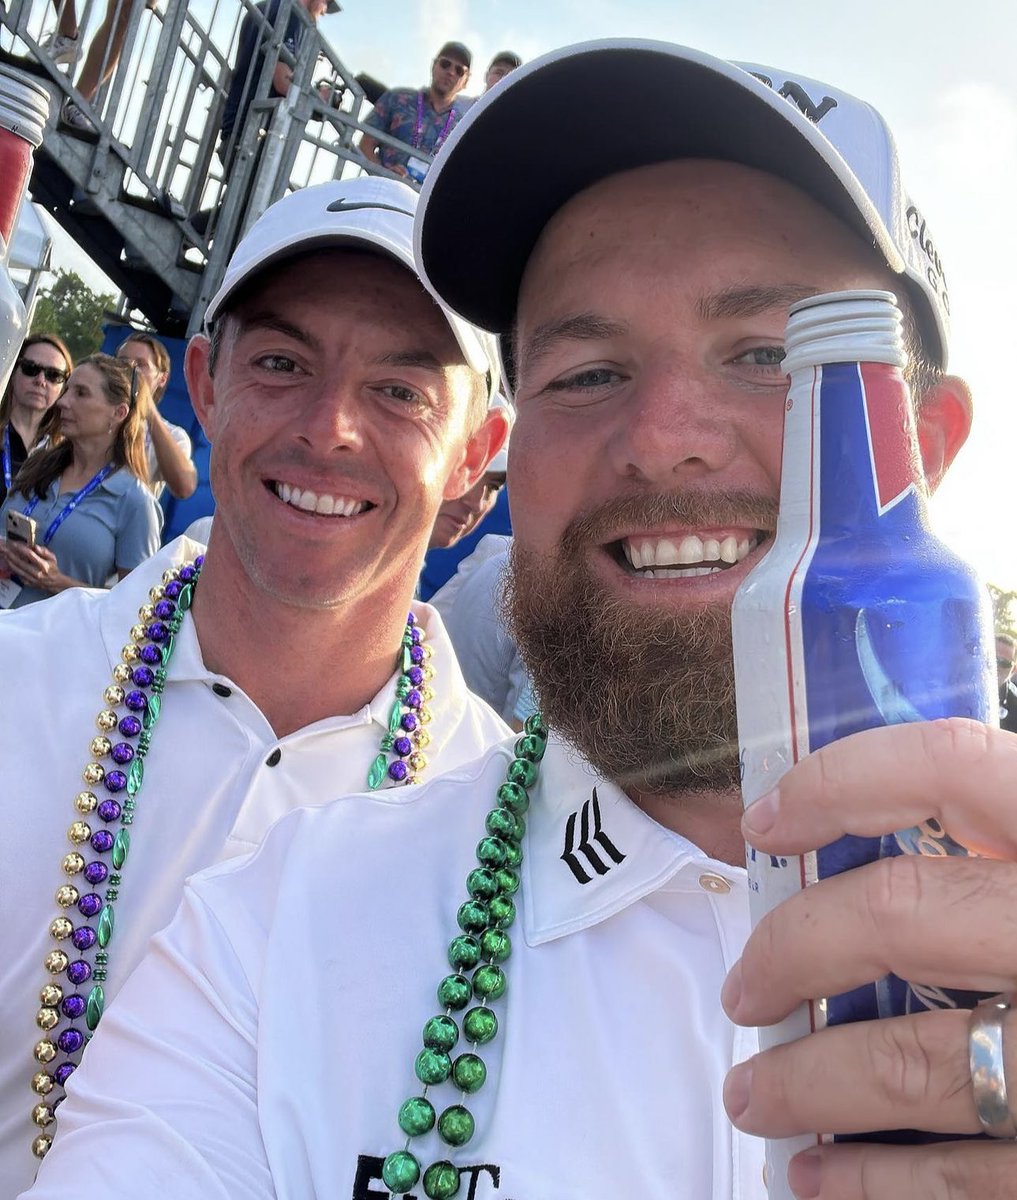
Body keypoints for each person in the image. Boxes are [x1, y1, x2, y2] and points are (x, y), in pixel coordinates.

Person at [22, 42, 1017, 1200]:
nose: (661, 437)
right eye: (588, 371)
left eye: (772, 355)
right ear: (513, 465)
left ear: (928, 447)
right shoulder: (282, 934)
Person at [1, 173, 510, 1192]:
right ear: (208, 381)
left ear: (476, 453)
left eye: (403, 391)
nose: (330, 429)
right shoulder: (21, 686)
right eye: (282, 362)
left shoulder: (508, 827)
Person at [0, 352, 161, 607]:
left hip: (50, 642)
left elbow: (137, 606)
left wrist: (58, 582)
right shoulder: (38, 465)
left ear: (118, 413)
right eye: (67, 391)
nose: (62, 402)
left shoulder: (134, 501)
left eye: (81, 393)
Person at [218, 0, 337, 167]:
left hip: (238, 126)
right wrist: (317, 100)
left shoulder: (264, 6)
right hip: (254, 134)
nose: (324, 11)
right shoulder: (292, 15)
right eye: (326, 3)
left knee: (239, 191)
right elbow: (282, 81)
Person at [358, 41, 471, 184]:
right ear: (433, 66)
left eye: (459, 70)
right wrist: (384, 176)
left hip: (423, 204)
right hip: (381, 195)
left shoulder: (463, 129)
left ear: (466, 81)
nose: (450, 72)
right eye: (445, 64)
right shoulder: (397, 98)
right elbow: (365, 145)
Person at [115, 332, 198, 500]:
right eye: (122, 362)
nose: (130, 369)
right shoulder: (91, 413)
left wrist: (145, 404)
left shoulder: (174, 436)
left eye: (140, 365)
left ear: (162, 378)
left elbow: (183, 486)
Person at [0, 333, 72, 507]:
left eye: (53, 375)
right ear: (13, 372)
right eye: (30, 369)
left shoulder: (66, 452)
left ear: (64, 386)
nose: (41, 381)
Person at [998, 632, 1017, 732]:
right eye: (992, 658)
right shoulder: (960, 686)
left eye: (1004, 663)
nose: (996, 667)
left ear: (1013, 670)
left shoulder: (1014, 703)